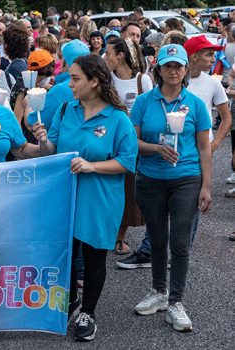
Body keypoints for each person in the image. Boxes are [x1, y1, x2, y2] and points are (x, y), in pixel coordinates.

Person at [33, 54, 138, 341]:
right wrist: (42, 140)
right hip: (66, 196)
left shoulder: (118, 119)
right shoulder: (67, 110)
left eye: (76, 78)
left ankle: (87, 313)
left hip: (100, 199)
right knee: (65, 255)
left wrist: (92, 166)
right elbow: (52, 151)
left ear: (94, 81)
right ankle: (69, 301)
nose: (70, 83)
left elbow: (127, 161)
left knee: (93, 259)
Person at [130, 44, 212, 333]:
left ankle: (176, 301)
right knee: (157, 239)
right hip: (151, 179)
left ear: (186, 69)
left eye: (178, 65)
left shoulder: (196, 104)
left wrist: (206, 186)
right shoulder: (143, 102)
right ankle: (158, 291)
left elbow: (204, 147)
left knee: (179, 241)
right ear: (159, 70)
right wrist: (155, 149)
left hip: (186, 178)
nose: (174, 70)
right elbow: (132, 143)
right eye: (168, 66)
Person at [103, 37, 153, 255]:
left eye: (108, 53)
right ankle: (108, 235)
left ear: (120, 55)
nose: (105, 57)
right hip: (110, 144)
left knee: (130, 192)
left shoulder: (143, 81)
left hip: (135, 145)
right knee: (111, 191)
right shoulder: (106, 81)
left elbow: (150, 113)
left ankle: (119, 237)